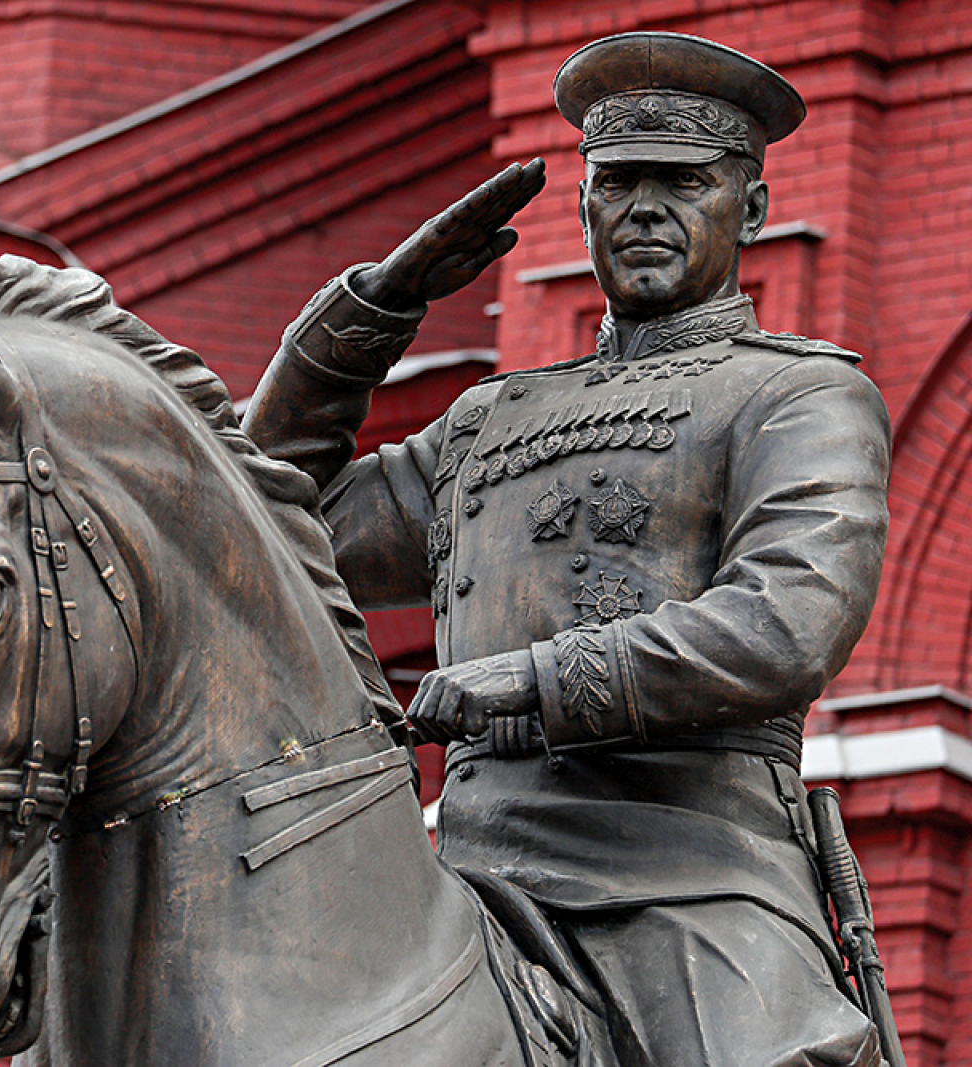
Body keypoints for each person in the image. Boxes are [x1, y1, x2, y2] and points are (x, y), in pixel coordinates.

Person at [243, 32, 890, 1067]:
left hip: (688, 876)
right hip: (468, 873)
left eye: (682, 183)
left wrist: (533, 679)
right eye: (616, 183)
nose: (643, 208)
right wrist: (370, 315)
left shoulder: (797, 395)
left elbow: (785, 624)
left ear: (752, 212)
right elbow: (260, 514)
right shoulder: (488, 421)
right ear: (583, 204)